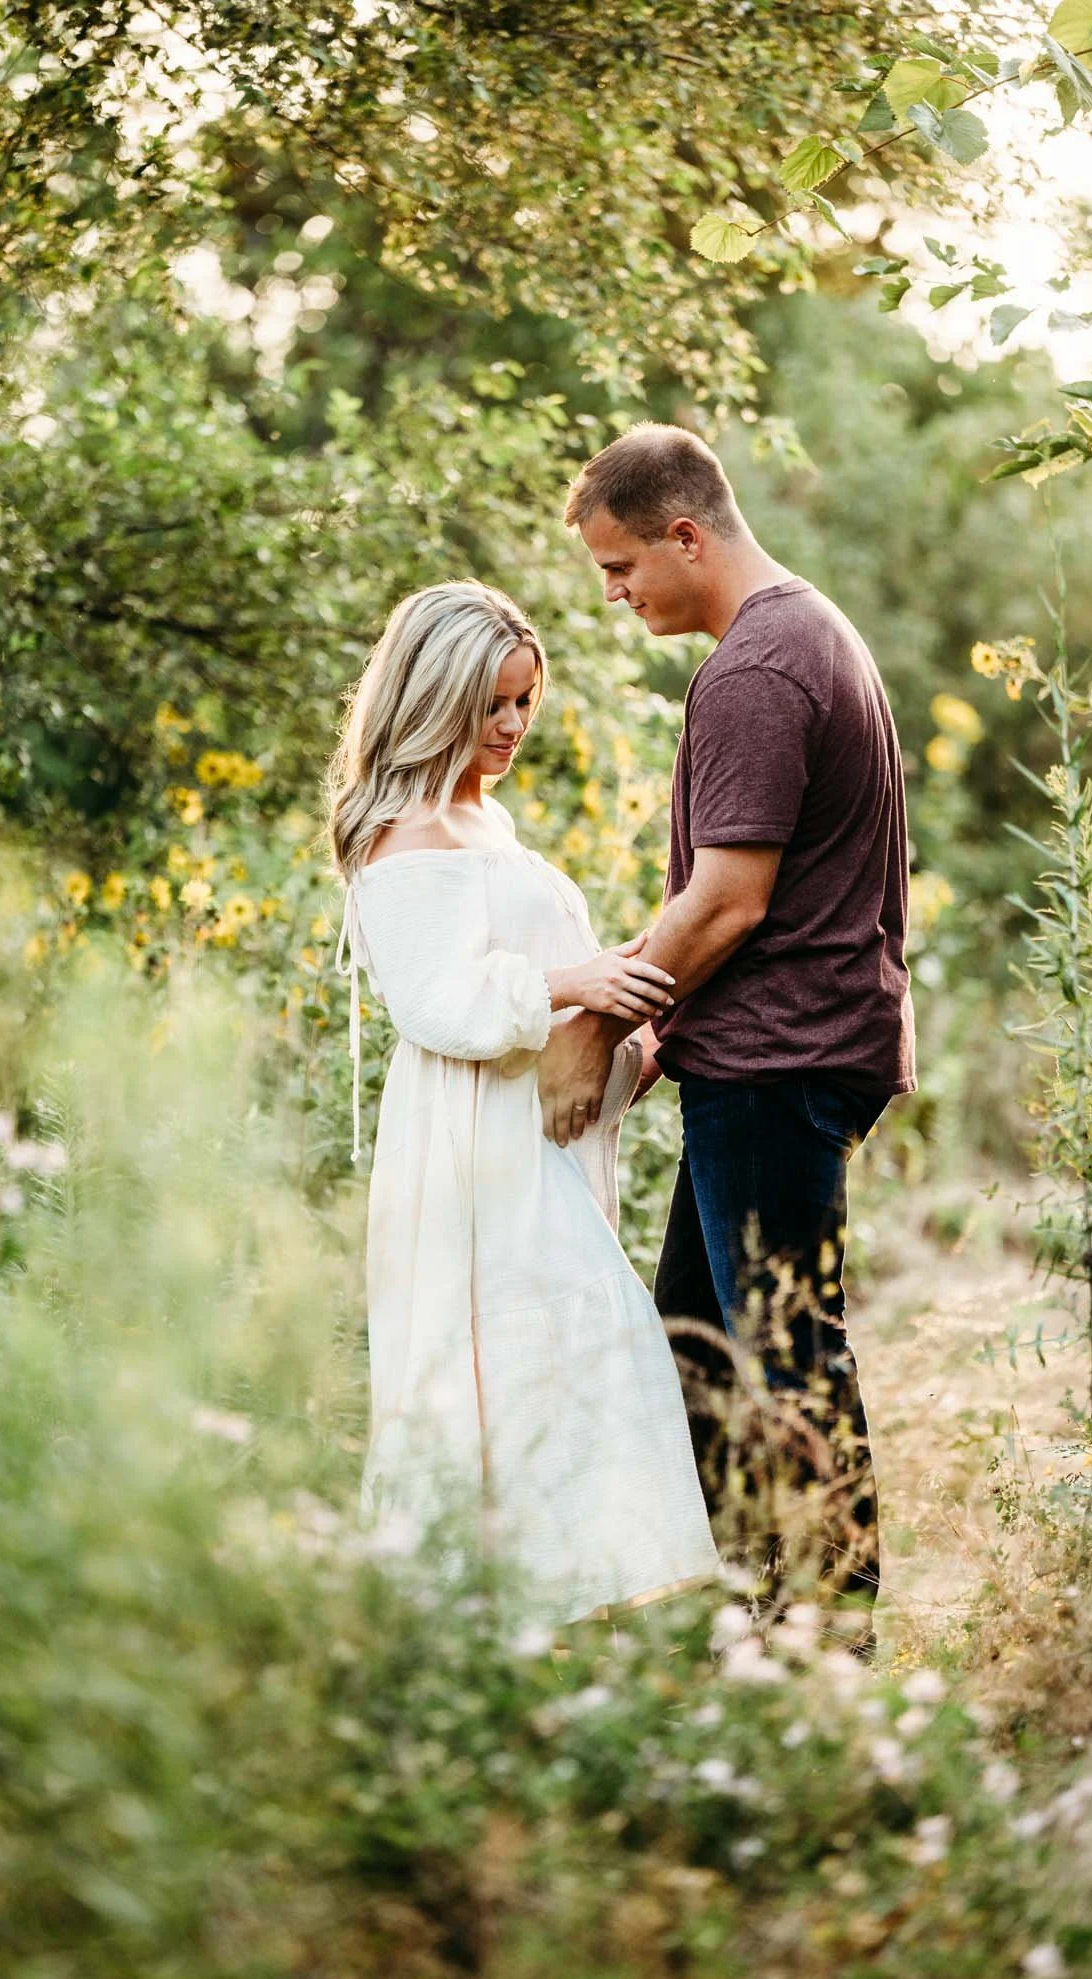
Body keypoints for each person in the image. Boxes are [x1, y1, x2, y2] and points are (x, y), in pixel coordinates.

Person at [544, 423, 915, 1632]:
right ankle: (745, 1623)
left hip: (778, 1061)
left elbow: (725, 900)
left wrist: (598, 1023)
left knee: (782, 1358)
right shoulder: (806, 636)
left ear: (685, 534)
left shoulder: (757, 667)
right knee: (698, 1359)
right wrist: (662, 1038)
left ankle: (825, 1640)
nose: (612, 595)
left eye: (619, 568)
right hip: (770, 1052)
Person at [328, 579, 719, 1625]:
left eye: (523, 705)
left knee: (574, 1351)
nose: (509, 728)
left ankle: (571, 1617)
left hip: (528, 1137)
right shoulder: (401, 834)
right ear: (433, 694)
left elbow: (545, 968)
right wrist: (576, 984)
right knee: (513, 1356)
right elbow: (435, 1003)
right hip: (465, 1142)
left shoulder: (484, 822)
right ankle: (489, 1622)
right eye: (492, 704)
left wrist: (632, 982)